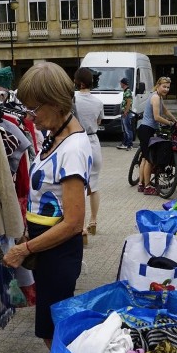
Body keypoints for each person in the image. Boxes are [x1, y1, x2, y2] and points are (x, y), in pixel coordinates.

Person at [2, 62, 91, 353]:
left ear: (56, 102)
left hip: (58, 253)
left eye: (35, 108)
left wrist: (24, 250)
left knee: (56, 332)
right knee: (50, 330)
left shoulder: (72, 147)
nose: (31, 116)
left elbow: (72, 222)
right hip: (47, 250)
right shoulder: (58, 135)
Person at [73, 67, 104, 237]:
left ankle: (82, 226)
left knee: (78, 186)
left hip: (77, 141)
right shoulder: (98, 102)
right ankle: (94, 221)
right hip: (93, 141)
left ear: (77, 82)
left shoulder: (73, 100)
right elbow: (98, 121)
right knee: (95, 185)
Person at [137, 76, 177, 195]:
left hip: (145, 129)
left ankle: (141, 184)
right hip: (147, 129)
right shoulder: (155, 98)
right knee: (150, 160)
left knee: (145, 158)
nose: (166, 89)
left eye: (168, 87)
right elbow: (157, 117)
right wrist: (170, 123)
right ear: (158, 85)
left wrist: (175, 120)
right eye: (164, 86)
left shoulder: (158, 96)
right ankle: (147, 187)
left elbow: (165, 111)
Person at [116, 77, 135, 150]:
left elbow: (129, 102)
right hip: (124, 112)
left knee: (127, 129)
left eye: (121, 83)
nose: (120, 84)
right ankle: (125, 143)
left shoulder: (128, 91)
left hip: (126, 113)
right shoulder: (126, 91)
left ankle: (129, 145)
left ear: (123, 84)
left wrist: (126, 112)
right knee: (125, 129)